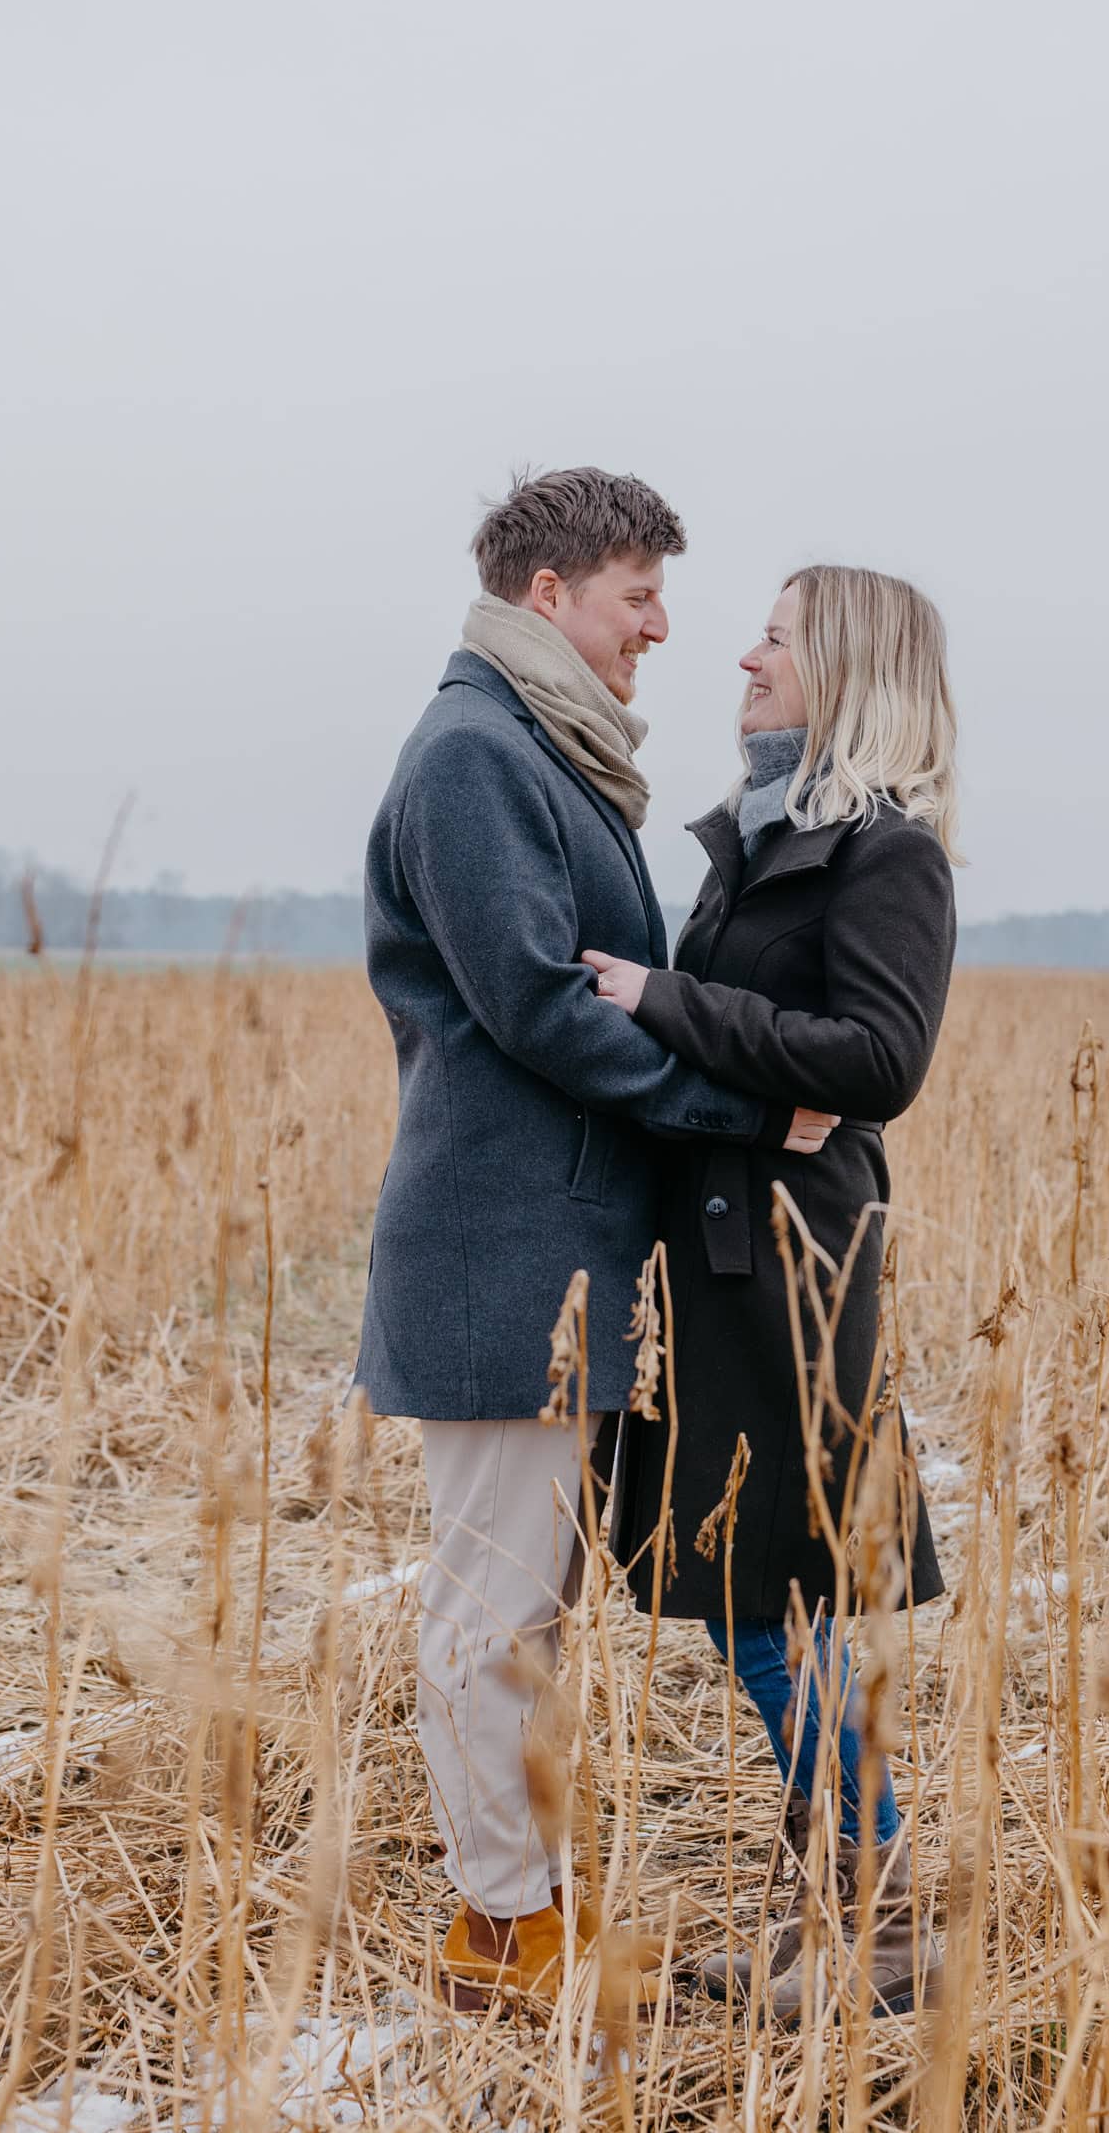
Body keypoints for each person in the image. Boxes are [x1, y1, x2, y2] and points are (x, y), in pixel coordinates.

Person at [350, 468, 836, 2010]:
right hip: (501, 1257)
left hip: (550, 1258)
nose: (663, 627)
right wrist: (745, 1111)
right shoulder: (475, 755)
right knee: (492, 1609)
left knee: (526, 1608)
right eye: (640, 594)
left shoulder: (538, 750)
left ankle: (524, 1910)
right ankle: (502, 1937)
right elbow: (543, 1007)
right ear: (549, 594)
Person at [595, 562, 960, 2019]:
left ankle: (882, 1923)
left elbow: (881, 1060)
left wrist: (663, 998)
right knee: (761, 1597)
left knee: (768, 1599)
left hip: (796, 1267)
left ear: (849, 668)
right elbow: (763, 1053)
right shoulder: (760, 837)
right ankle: (852, 1913)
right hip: (721, 1256)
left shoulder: (889, 853)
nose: (743, 658)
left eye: (776, 638)